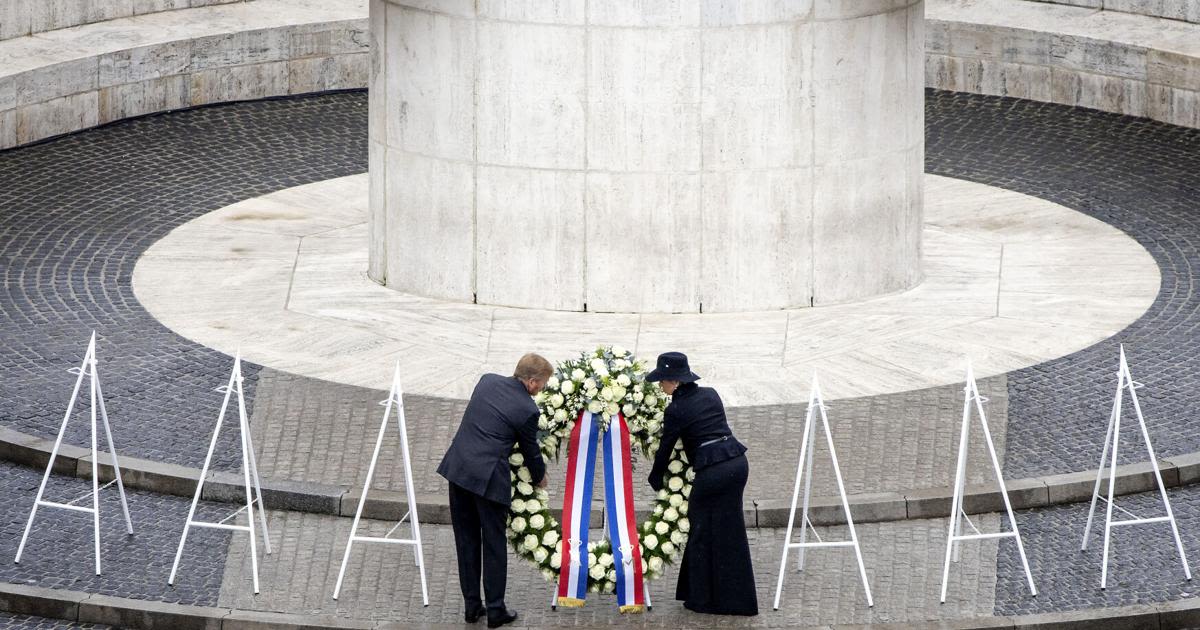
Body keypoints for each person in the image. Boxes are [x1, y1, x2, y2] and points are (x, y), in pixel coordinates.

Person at [437, 353, 551, 628]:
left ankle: (472, 607)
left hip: (459, 470)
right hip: (488, 481)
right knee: (493, 545)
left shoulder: (486, 381)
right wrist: (540, 477)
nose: (543, 389)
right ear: (533, 382)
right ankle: (496, 610)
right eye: (544, 384)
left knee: (466, 540)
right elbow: (530, 451)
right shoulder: (527, 409)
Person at [646, 351, 758, 616]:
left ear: (674, 381)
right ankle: (737, 599)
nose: (660, 386)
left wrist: (655, 476)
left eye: (662, 381)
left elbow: (666, 446)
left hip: (714, 473)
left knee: (700, 532)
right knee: (730, 532)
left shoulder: (676, 409)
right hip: (737, 463)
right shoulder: (710, 393)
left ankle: (700, 598)